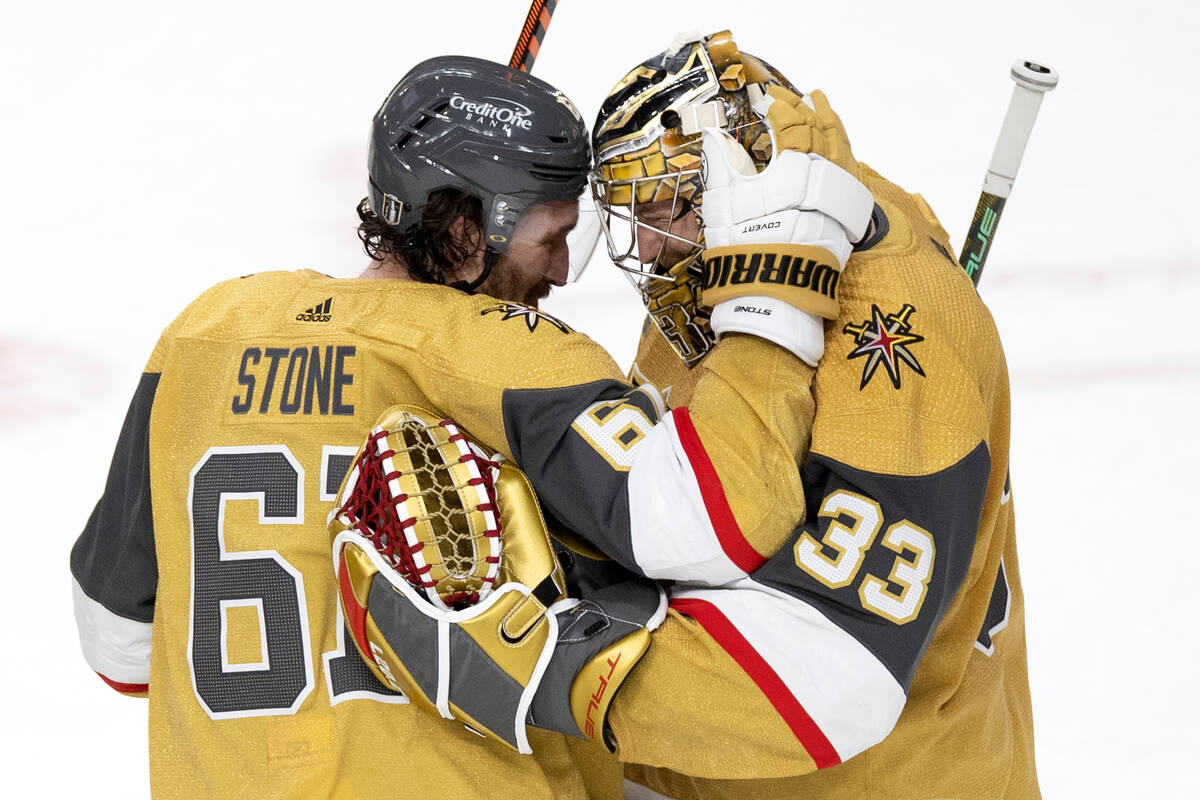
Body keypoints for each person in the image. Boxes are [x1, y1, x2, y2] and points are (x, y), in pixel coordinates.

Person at [70, 51, 873, 796]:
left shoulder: (209, 331)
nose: (561, 272)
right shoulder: (509, 358)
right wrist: (775, 296)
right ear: (461, 230)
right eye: (551, 239)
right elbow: (720, 520)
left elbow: (119, 645)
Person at [587, 30, 1040, 799]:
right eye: (634, 214)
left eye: (665, 208)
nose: (648, 248)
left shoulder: (906, 332)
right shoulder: (718, 279)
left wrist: (565, 677)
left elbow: (836, 666)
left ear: (745, 167)